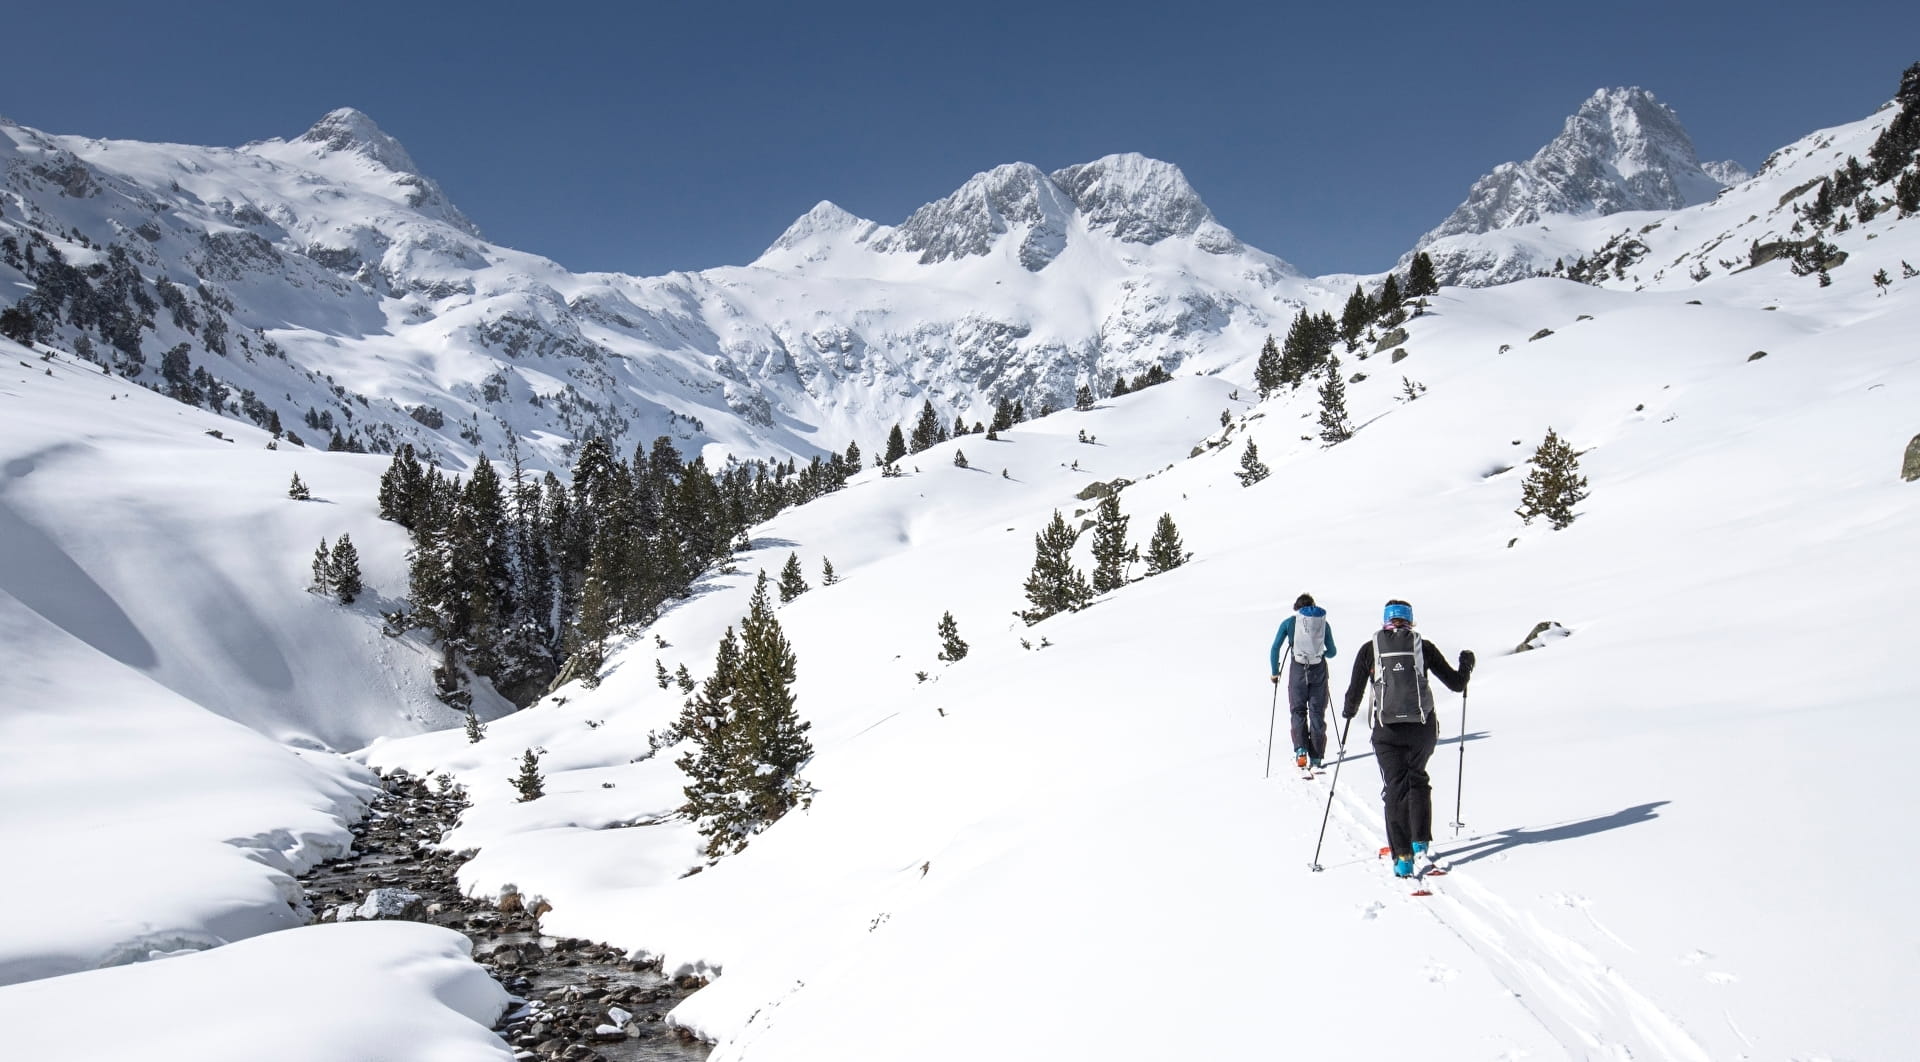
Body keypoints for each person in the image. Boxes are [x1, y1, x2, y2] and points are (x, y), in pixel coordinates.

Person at [1341, 600, 1475, 878]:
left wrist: (1348, 713)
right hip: (1422, 729)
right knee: (1417, 776)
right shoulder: (1422, 647)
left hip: (1386, 731)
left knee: (1395, 787)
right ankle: (1420, 840)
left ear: (1385, 621)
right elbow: (1456, 683)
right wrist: (1466, 664)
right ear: (1411, 621)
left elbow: (1354, 691)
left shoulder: (1371, 649)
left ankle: (1403, 857)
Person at [1270, 593, 1337, 769]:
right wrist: (1319, 652)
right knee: (1317, 712)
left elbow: (1275, 647)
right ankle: (1316, 757)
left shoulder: (1289, 623)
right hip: (1318, 671)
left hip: (1298, 671)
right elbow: (1332, 652)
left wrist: (1275, 673)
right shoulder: (1322, 624)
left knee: (1298, 710)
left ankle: (1301, 751)